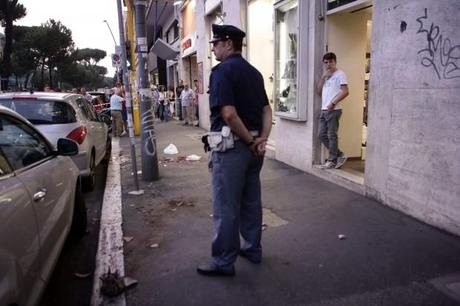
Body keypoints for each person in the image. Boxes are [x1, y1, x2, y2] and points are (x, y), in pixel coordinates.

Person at [196, 24, 272, 277]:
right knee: (251, 202)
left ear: (229, 44)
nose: (214, 49)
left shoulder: (222, 72)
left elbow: (228, 113)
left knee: (226, 207)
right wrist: (261, 139)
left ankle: (223, 261)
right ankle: (252, 248)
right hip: (253, 149)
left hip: (232, 149)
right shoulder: (255, 73)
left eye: (216, 44)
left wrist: (251, 142)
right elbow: (266, 111)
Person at [316, 52, 349, 169]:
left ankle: (332, 160)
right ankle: (339, 155)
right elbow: (319, 92)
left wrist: (333, 103)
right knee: (321, 135)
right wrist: (323, 77)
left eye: (331, 62)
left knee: (331, 135)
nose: (329, 64)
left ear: (335, 62)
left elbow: (345, 91)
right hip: (324, 109)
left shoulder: (340, 74)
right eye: (326, 62)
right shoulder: (326, 76)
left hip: (333, 110)